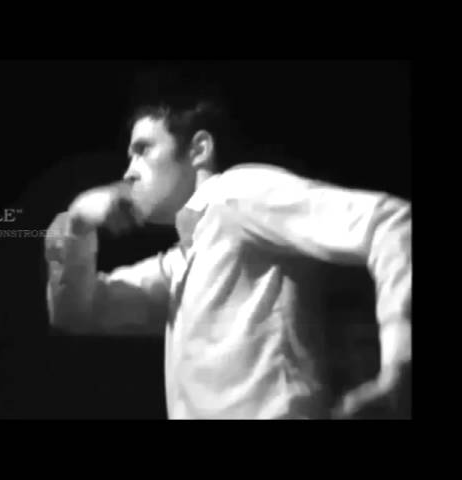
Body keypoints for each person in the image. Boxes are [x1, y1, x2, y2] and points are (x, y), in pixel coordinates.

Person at [43, 97, 411, 420]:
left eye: (143, 149)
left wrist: (402, 361)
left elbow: (390, 222)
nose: (128, 172)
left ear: (199, 149)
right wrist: (74, 224)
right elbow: (77, 312)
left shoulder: (237, 195)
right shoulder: (180, 263)